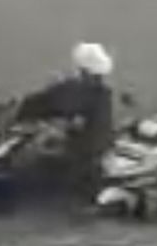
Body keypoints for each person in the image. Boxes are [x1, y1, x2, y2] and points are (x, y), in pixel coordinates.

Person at [17, 42, 115, 203]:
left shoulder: (79, 90)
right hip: (95, 150)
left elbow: (51, 103)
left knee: (38, 156)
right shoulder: (102, 92)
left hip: (81, 152)